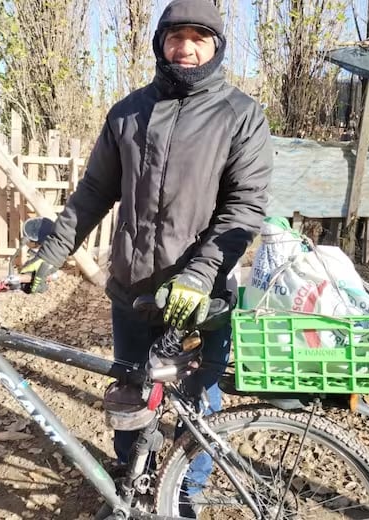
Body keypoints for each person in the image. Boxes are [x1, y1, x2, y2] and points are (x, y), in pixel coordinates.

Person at [22, 0, 272, 513]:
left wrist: (200, 276)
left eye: (199, 37)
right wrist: (51, 252)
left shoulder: (241, 116)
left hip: (200, 299)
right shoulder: (128, 113)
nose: (186, 47)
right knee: (130, 394)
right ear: (160, 42)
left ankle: (185, 497)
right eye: (176, 36)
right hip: (133, 292)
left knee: (199, 404)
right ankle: (130, 486)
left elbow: (244, 209)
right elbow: (94, 191)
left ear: (216, 46)